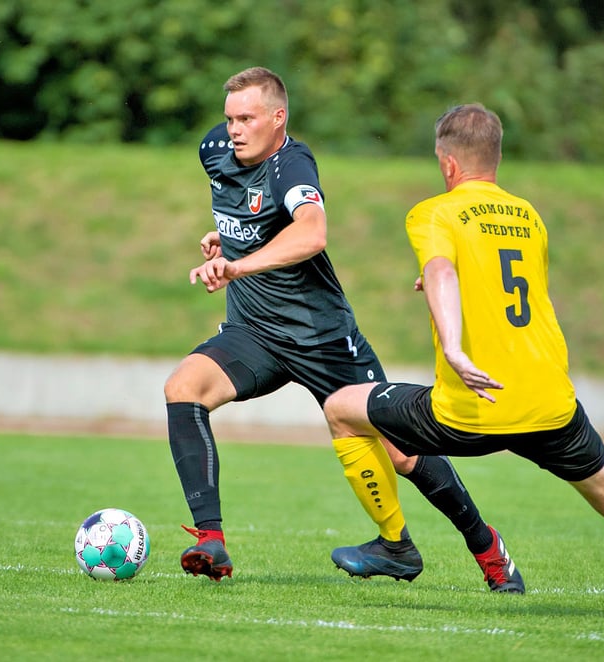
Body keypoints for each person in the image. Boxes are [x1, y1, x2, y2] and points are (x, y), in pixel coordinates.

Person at [164, 66, 524, 593]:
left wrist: (238, 265)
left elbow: (311, 232)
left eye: (247, 118)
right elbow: (247, 208)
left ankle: (488, 549)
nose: (234, 129)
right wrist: (226, 238)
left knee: (403, 452)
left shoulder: (294, 164)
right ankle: (211, 539)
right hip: (256, 333)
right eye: (230, 118)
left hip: (323, 338)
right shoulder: (214, 150)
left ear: (278, 118)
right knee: (182, 388)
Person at [320, 103, 604, 593]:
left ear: (448, 164)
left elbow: (445, 270)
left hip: (471, 406)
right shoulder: (529, 216)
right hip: (549, 404)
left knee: (341, 409)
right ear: (496, 159)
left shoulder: (434, 211)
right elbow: (500, 282)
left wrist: (453, 347)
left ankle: (395, 545)